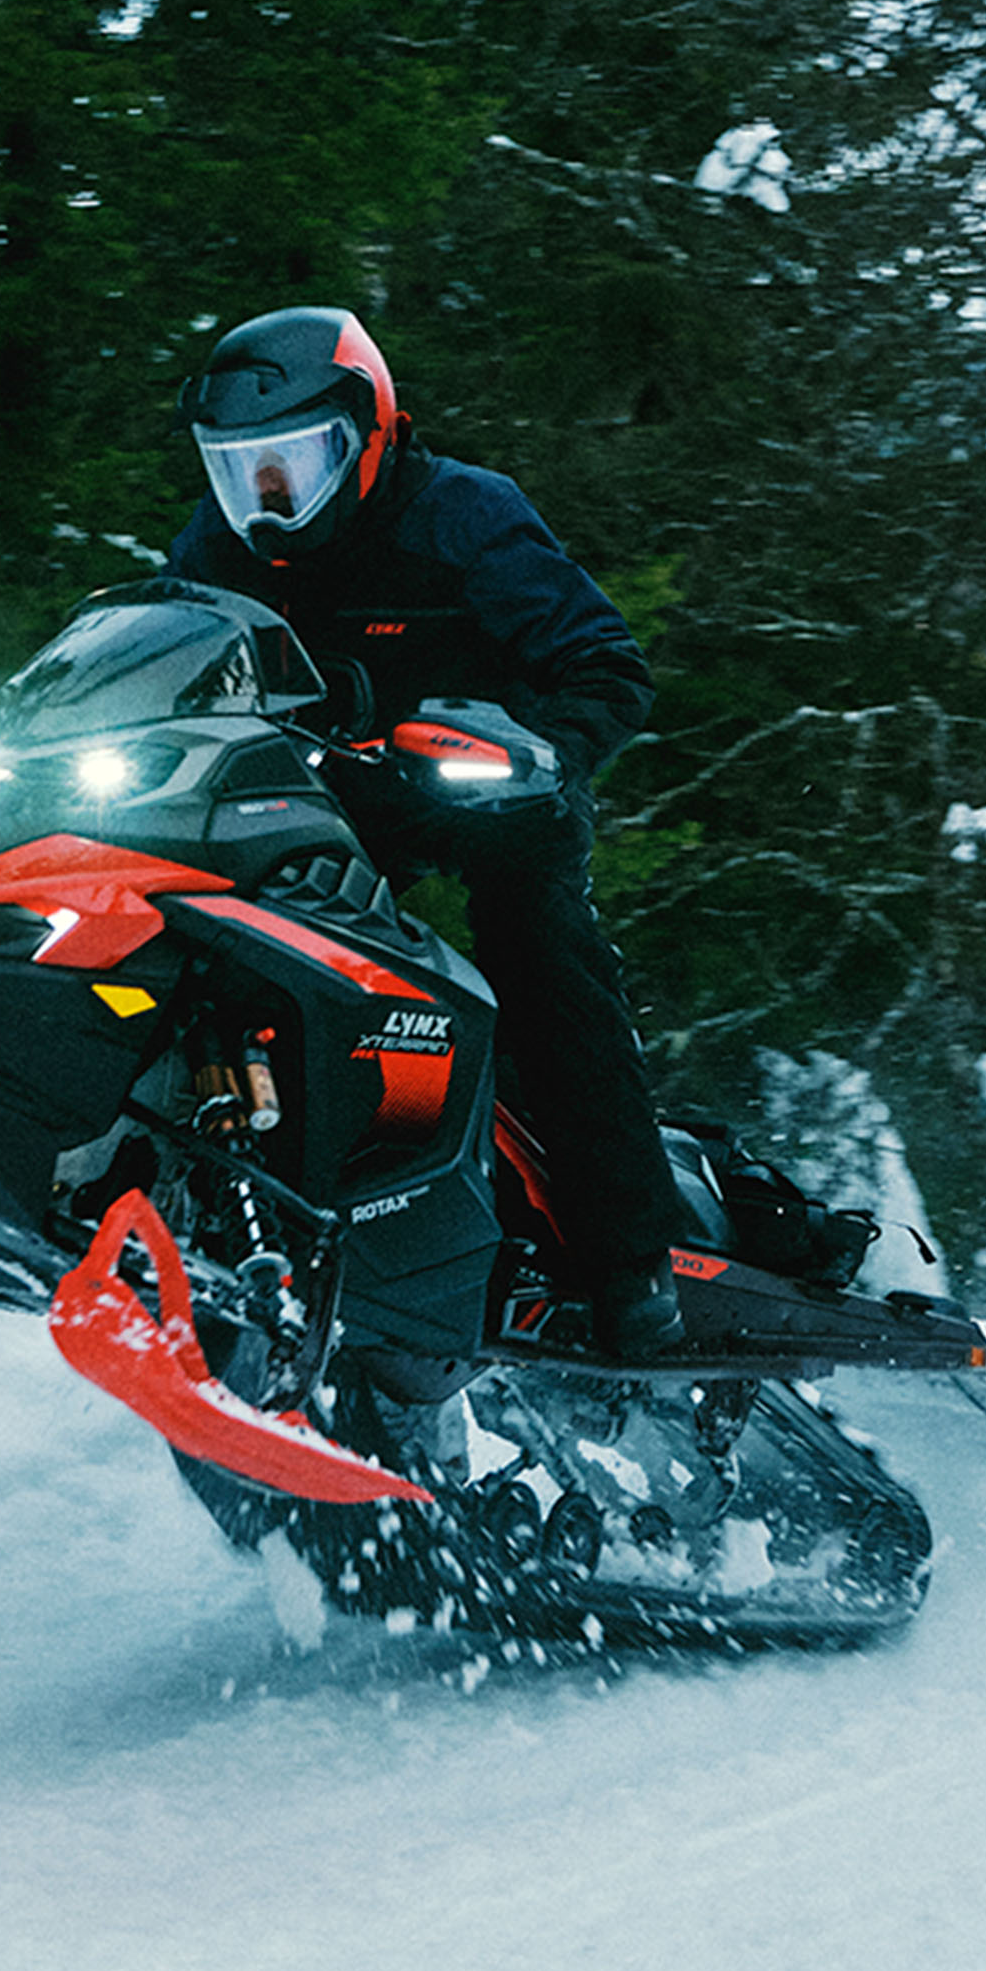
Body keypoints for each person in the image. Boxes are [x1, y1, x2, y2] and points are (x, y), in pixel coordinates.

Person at [165, 304, 692, 1358]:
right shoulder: (216, 546)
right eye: (239, 473)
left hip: (491, 791)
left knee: (541, 963)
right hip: (317, 798)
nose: (263, 503)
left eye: (289, 467)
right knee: (185, 931)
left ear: (364, 436)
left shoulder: (462, 512)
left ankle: (632, 1268)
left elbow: (605, 664)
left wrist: (538, 751)